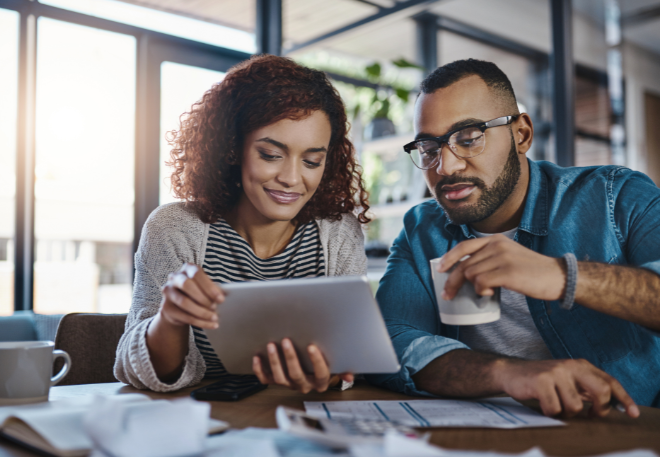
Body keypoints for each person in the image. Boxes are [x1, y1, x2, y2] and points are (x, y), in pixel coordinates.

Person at [367, 58, 660, 417]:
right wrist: (508, 374)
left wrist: (560, 276)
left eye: (469, 138)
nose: (447, 166)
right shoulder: (421, 229)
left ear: (521, 134)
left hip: (621, 428)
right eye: (429, 148)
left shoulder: (617, 196)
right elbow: (389, 342)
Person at [114, 55, 370, 394]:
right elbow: (139, 371)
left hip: (297, 424)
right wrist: (171, 320)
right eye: (270, 155)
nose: (292, 178)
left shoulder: (339, 234)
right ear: (233, 148)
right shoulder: (173, 228)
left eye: (312, 161)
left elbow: (350, 358)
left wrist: (334, 373)